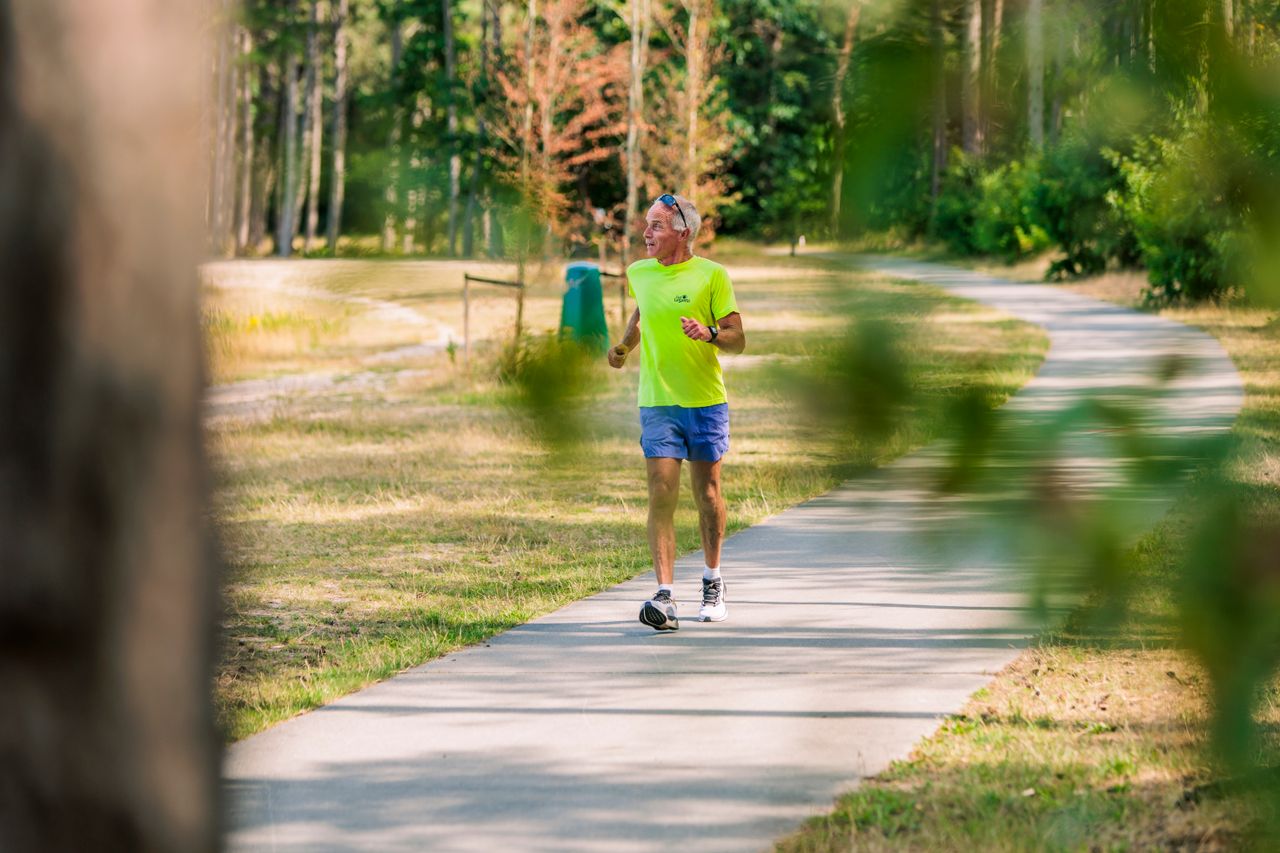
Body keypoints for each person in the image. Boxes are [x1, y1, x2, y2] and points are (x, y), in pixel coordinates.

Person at [607, 194, 745, 630]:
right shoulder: (639, 273)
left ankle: (712, 579)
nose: (646, 234)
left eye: (656, 226)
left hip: (705, 402)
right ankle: (665, 596)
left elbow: (737, 337)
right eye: (646, 225)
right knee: (661, 494)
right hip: (657, 401)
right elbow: (642, 311)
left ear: (682, 232)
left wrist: (709, 334)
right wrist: (625, 346)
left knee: (707, 495)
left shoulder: (712, 276)